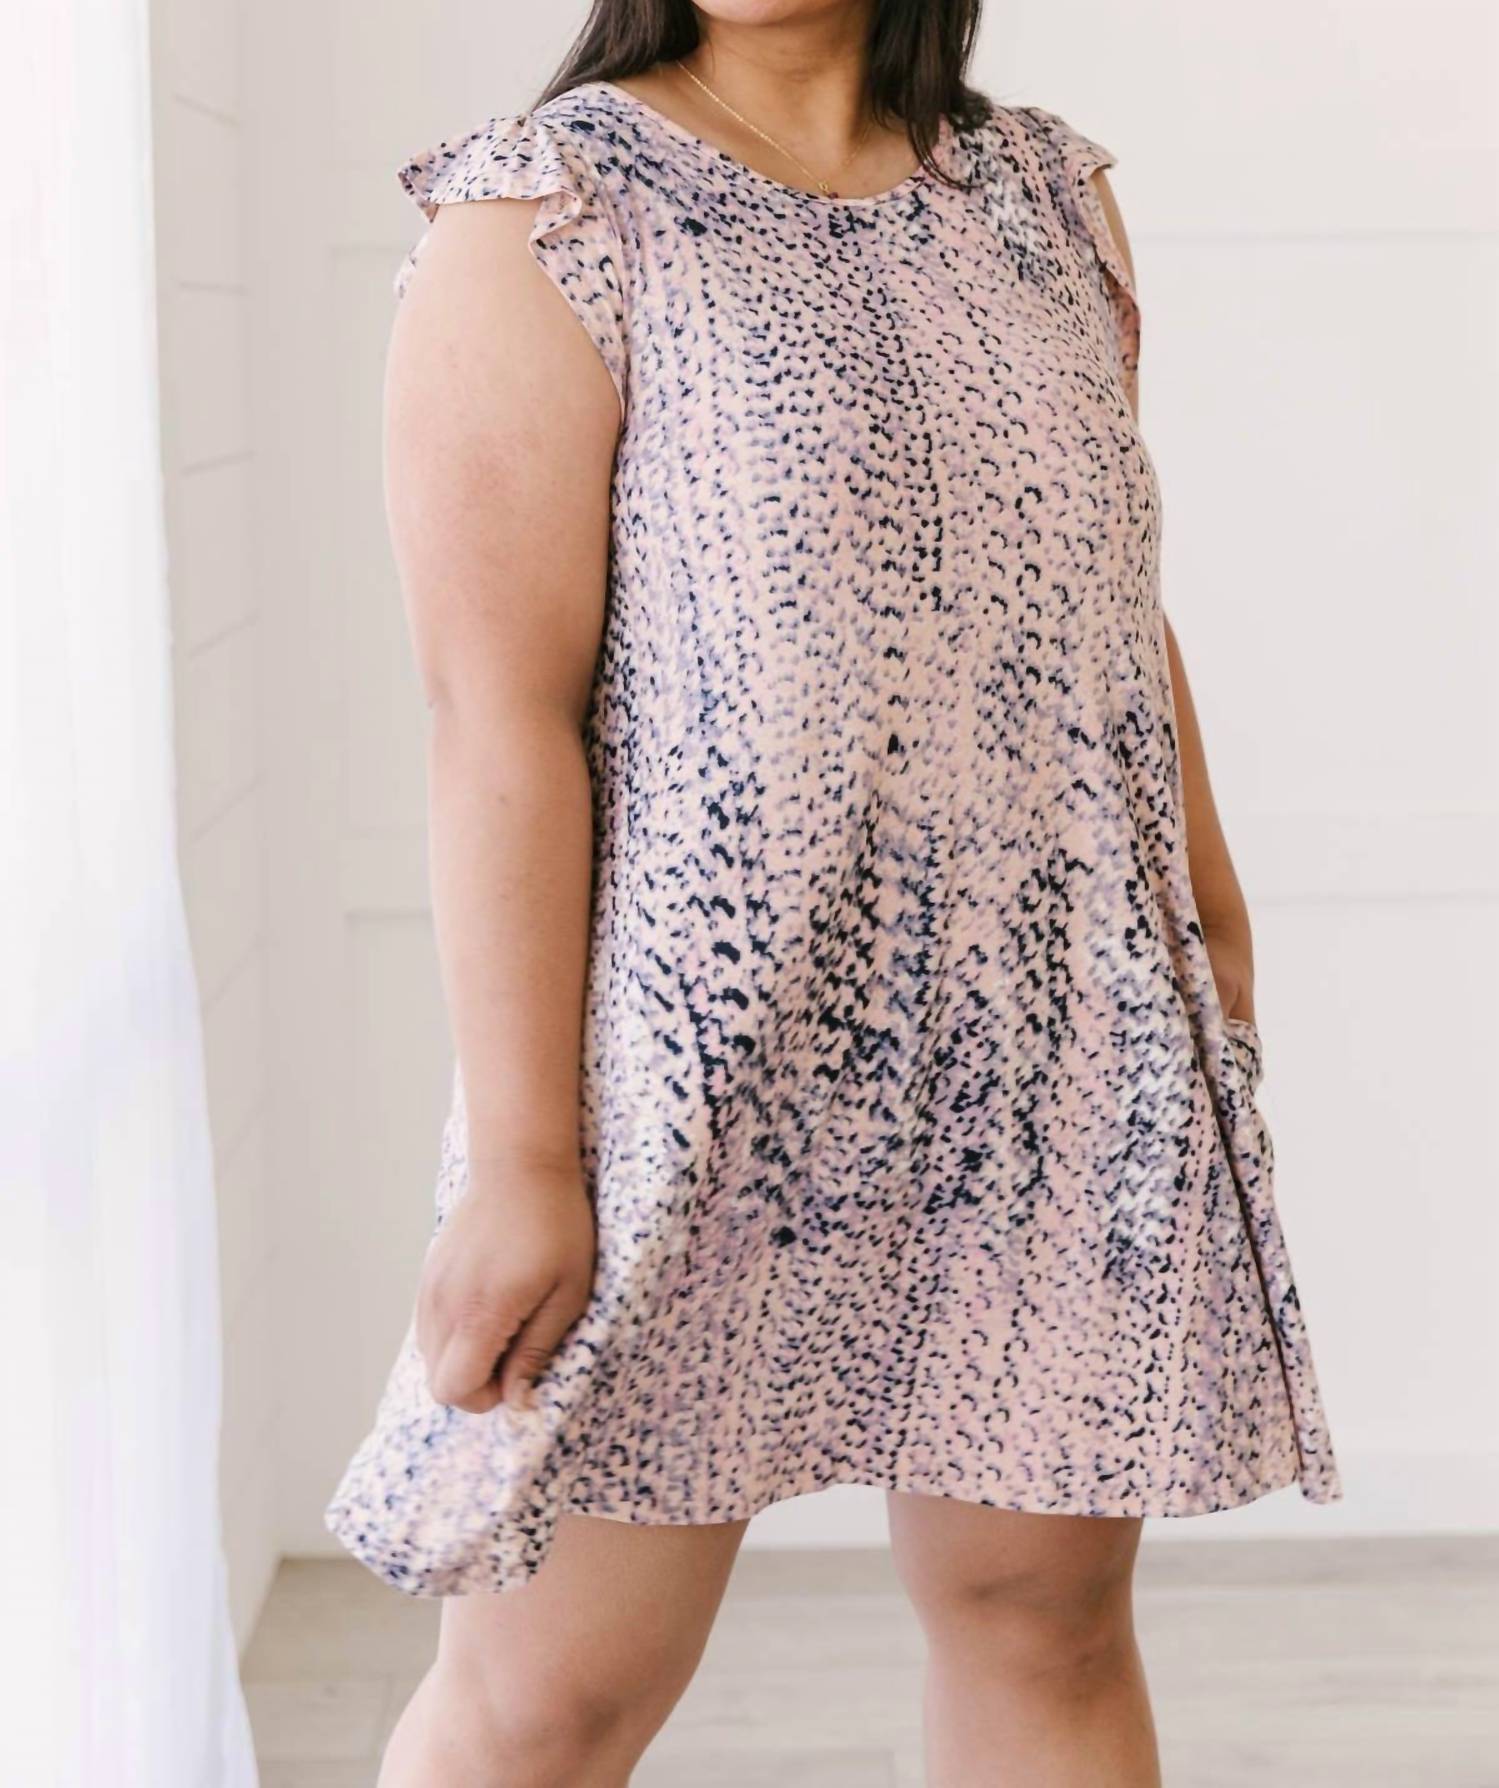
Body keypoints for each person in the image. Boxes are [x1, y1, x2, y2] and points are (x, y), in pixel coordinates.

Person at [325, 4, 1342, 1782]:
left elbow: (1106, 585)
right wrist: (527, 1164)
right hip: (691, 1067)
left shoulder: (1044, 196)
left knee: (1045, 1621)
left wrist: (1211, 903)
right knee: (552, 1694)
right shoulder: (549, 213)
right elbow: (497, 720)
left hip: (1046, 1043)